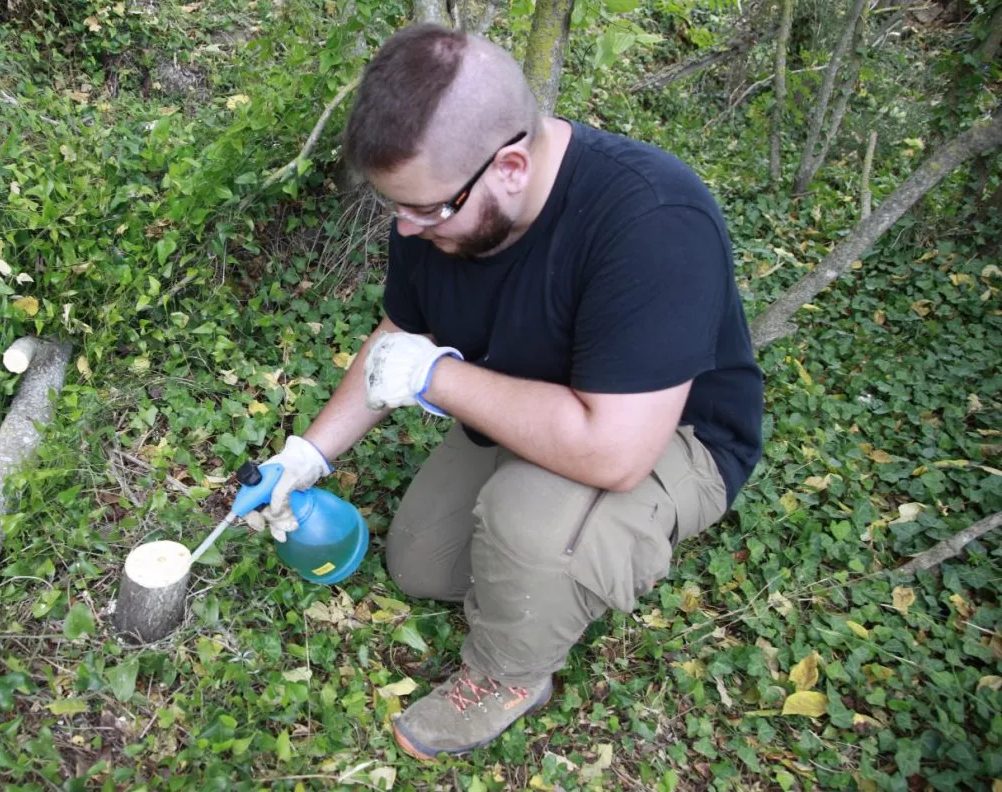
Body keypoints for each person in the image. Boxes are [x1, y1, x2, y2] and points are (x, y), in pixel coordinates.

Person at [243, 23, 764, 761]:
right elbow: (399, 334)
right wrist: (307, 455)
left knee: (526, 525)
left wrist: (439, 378)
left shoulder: (652, 219)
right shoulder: (437, 202)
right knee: (422, 562)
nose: (408, 229)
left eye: (427, 211)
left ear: (511, 166)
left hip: (668, 435)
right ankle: (537, 555)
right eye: (397, 209)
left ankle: (508, 678)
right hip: (535, 396)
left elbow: (616, 452)